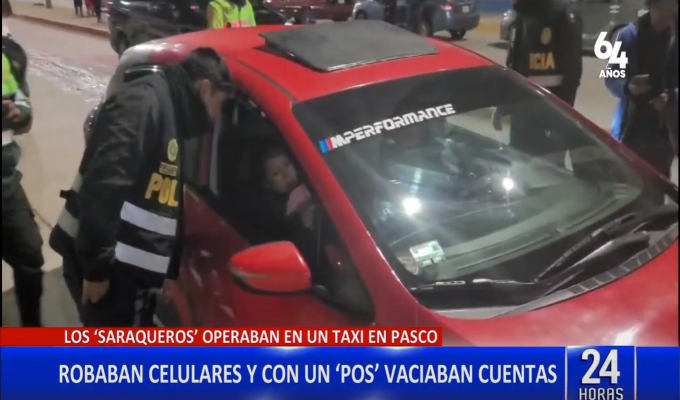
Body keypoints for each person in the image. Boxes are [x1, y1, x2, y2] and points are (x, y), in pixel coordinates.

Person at [49, 47, 231, 327]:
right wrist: (96, 270)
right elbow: (105, 187)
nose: (217, 117)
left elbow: (167, 198)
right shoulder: (143, 103)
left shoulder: (171, 111)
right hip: (109, 276)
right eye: (220, 105)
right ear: (205, 88)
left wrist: (168, 270)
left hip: (128, 276)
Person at [492, 0, 582, 161]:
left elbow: (572, 76)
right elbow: (514, 67)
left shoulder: (564, 16)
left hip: (550, 117)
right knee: (520, 166)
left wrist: (559, 124)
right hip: (521, 116)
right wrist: (503, 105)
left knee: (550, 171)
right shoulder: (521, 15)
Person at [605, 0, 678, 178]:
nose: (673, 8)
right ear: (651, 5)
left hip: (665, 130)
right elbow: (611, 77)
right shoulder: (627, 36)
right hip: (632, 128)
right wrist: (628, 87)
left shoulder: (675, 39)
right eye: (667, 4)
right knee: (629, 180)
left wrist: (671, 97)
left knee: (659, 182)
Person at [3, 28, 44, 327]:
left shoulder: (8, 54)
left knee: (30, 256)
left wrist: (18, 113)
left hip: (5, 182)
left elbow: (22, 101)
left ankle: (31, 335)